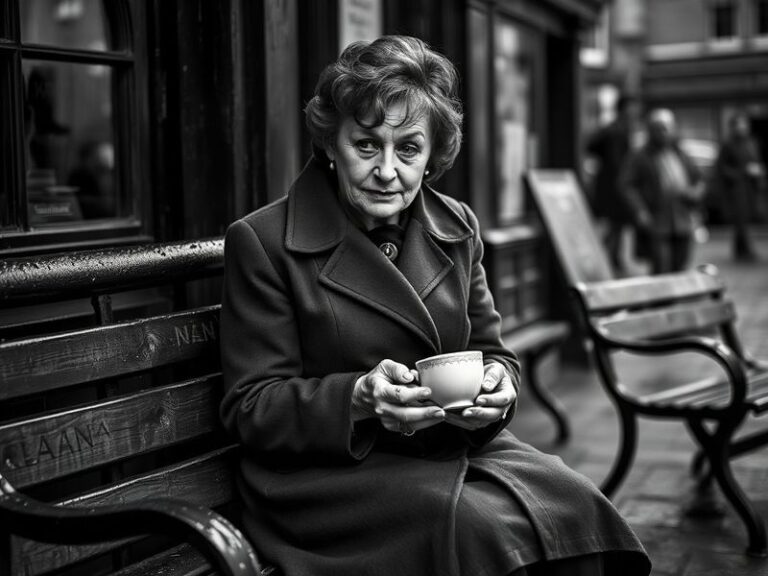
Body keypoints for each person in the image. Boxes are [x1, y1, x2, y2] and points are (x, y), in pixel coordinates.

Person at [220, 36, 651, 576]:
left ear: (431, 155)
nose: (386, 170)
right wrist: (358, 398)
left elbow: (494, 352)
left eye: (407, 149)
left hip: (450, 450)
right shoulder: (263, 241)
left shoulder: (458, 226)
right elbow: (251, 407)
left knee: (577, 507)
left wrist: (501, 387)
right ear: (332, 144)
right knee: (487, 533)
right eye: (366, 144)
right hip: (326, 480)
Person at [620, 108, 704, 274]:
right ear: (651, 130)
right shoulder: (640, 156)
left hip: (682, 216)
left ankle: (675, 295)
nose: (663, 133)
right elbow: (626, 185)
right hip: (657, 218)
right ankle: (661, 299)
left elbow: (698, 179)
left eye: (667, 128)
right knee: (661, 264)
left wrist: (695, 193)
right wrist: (640, 210)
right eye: (658, 128)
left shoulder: (680, 153)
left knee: (681, 261)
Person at [585, 93, 641, 275]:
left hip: (615, 188)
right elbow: (595, 148)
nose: (635, 111)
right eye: (632, 107)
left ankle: (613, 261)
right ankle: (607, 262)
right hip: (613, 189)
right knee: (614, 227)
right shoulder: (615, 130)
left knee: (617, 228)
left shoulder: (621, 128)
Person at [714, 112, 766, 261]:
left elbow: (756, 161)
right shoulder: (728, 145)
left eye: (744, 124)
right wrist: (743, 172)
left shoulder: (751, 142)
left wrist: (758, 171)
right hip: (737, 189)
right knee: (740, 220)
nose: (742, 127)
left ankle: (741, 250)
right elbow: (722, 168)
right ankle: (744, 251)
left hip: (750, 188)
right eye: (739, 124)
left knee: (745, 219)